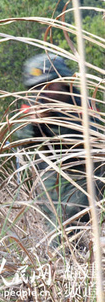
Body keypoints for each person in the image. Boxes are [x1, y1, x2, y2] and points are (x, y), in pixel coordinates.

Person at [18, 53, 104, 235]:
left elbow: (95, 140)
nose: (44, 91)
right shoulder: (33, 107)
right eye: (38, 87)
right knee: (57, 235)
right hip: (51, 182)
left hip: (83, 180)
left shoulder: (83, 104)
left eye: (49, 85)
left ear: (63, 81)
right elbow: (20, 141)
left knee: (68, 232)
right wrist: (33, 124)